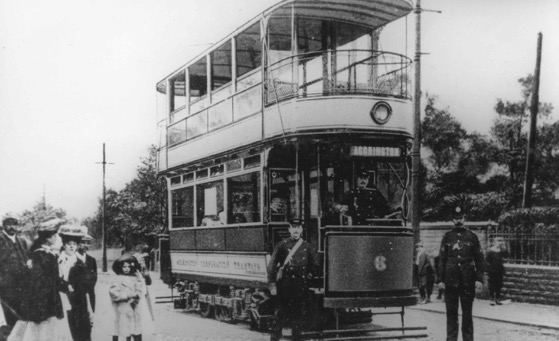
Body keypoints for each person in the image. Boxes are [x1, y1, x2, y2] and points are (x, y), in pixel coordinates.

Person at [9, 217, 72, 341]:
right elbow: (45, 279)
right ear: (47, 238)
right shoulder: (42, 255)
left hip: (48, 298)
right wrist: (64, 285)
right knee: (43, 330)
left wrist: (63, 285)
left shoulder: (45, 253)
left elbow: (52, 277)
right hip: (44, 300)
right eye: (54, 236)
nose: (56, 238)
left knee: (47, 329)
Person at [437, 205, 484, 341]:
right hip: (450, 282)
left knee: (467, 314)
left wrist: (479, 279)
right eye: (456, 218)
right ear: (452, 220)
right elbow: (441, 260)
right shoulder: (447, 237)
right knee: (451, 314)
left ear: (464, 219)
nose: (458, 221)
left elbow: (480, 260)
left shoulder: (472, 237)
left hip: (467, 282)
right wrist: (440, 280)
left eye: (461, 218)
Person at [267, 219, 318, 341]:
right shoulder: (282, 245)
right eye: (293, 227)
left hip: (300, 287)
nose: (296, 230)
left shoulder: (307, 246)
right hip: (284, 287)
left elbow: (314, 265)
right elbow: (272, 266)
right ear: (289, 229)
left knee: (298, 318)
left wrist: (308, 276)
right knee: (279, 317)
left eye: (298, 227)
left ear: (301, 229)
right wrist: (272, 285)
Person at [59, 225, 95, 341]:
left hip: (76, 301)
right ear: (64, 245)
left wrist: (71, 288)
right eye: (69, 244)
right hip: (60, 299)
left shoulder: (79, 263)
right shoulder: (57, 260)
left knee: (78, 330)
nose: (71, 246)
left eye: (74, 244)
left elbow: (86, 285)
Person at [0, 217, 29, 329]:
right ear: (3, 225)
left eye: (15, 224)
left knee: (22, 311)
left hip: (22, 283)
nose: (12, 227)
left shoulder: (22, 240)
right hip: (6, 284)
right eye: (9, 224)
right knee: (9, 312)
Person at [109, 254, 146, 341]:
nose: (127, 269)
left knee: (135, 329)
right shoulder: (117, 279)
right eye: (124, 267)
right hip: (122, 308)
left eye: (129, 267)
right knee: (123, 330)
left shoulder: (135, 278)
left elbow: (140, 289)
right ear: (120, 267)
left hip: (134, 307)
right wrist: (128, 295)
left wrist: (137, 295)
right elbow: (114, 293)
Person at [486, 236, 507, 306]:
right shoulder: (490, 251)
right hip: (492, 270)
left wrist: (504, 246)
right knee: (492, 285)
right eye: (498, 241)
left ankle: (497, 299)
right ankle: (492, 299)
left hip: (499, 270)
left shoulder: (501, 251)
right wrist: (488, 269)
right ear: (494, 242)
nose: (499, 243)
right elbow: (486, 261)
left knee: (499, 285)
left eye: (500, 241)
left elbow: (507, 255)